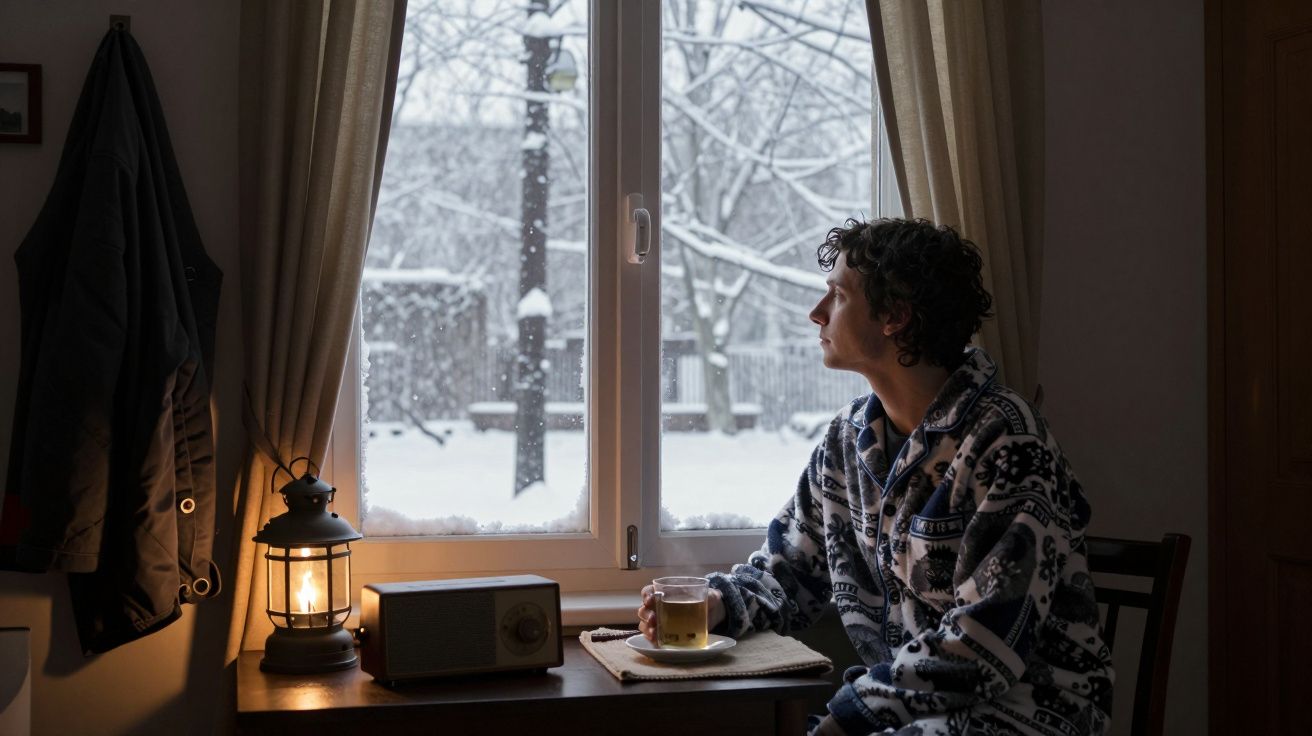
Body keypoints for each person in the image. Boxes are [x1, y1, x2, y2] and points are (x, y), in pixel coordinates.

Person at [637, 218, 1113, 735]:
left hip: (1030, 711)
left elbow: (986, 643)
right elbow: (790, 571)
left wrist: (848, 716)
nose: (817, 312)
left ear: (896, 315)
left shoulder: (1008, 441)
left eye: (838, 295)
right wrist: (716, 604)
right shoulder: (848, 440)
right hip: (909, 715)